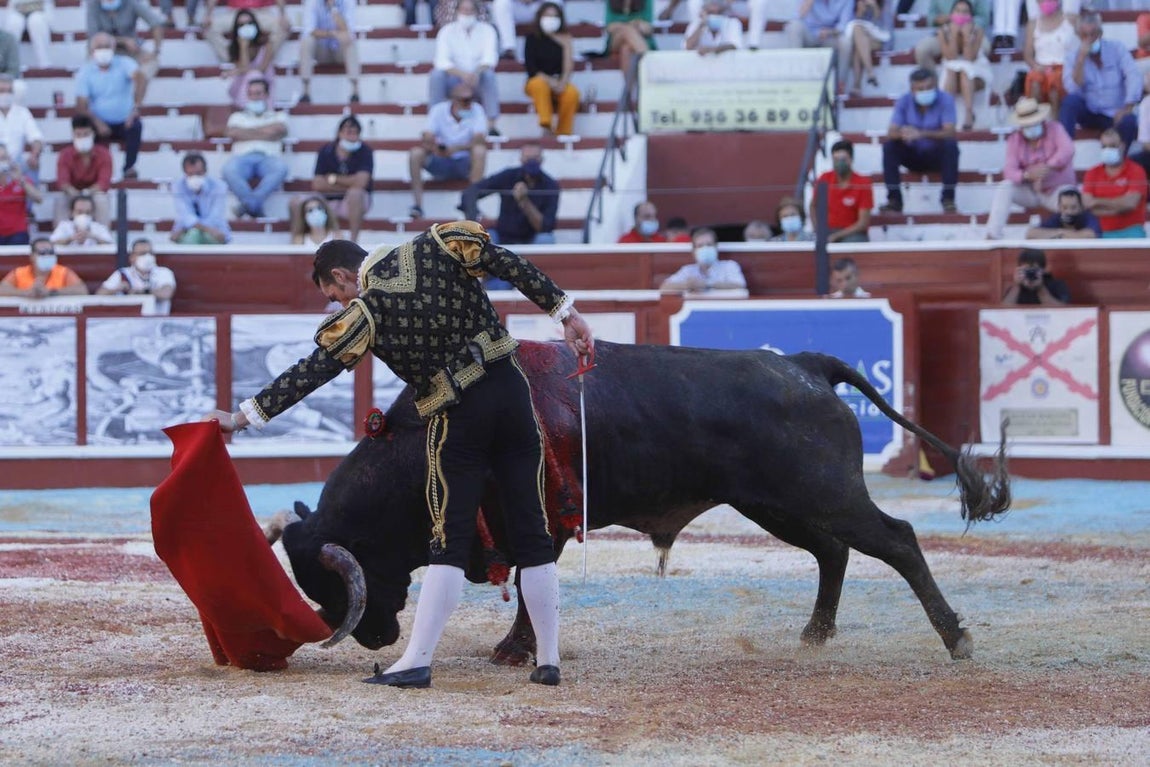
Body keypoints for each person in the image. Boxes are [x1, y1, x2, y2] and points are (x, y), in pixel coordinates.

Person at [205, 226, 595, 691]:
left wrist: (242, 417)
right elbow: (506, 262)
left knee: (448, 542)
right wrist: (564, 312)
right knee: (533, 530)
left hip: (460, 415)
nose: (340, 304)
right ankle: (548, 661)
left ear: (344, 275)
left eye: (335, 295)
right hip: (513, 396)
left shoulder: (367, 313)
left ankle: (416, 661)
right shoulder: (438, 245)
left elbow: (313, 371)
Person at [985, 97, 1075, 240]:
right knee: (1005, 187)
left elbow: (1068, 149)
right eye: (1026, 124)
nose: (1030, 126)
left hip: (1056, 190)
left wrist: (1047, 167)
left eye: (1033, 122)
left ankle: (1073, 236)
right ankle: (993, 234)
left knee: (1071, 198)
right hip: (1031, 190)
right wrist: (1027, 175)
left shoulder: (1055, 129)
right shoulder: (1015, 140)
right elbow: (1009, 171)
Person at [1059, 9, 1141, 150]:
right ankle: (1065, 150)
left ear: (1101, 33)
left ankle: (1120, 160)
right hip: (1090, 112)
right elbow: (1072, 88)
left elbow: (1133, 75)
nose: (1090, 39)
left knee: (1130, 121)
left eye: (1094, 34)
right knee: (1070, 102)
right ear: (1079, 36)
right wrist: (1081, 60)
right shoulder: (1072, 56)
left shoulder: (1117, 48)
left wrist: (1127, 107)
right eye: (1085, 35)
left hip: (1115, 113)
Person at [881, 67, 960, 214]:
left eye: (929, 87)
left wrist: (921, 134)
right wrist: (903, 134)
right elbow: (891, 132)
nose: (925, 91)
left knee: (951, 146)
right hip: (912, 154)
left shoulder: (945, 99)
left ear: (936, 85)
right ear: (912, 89)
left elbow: (950, 131)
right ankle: (894, 200)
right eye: (920, 88)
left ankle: (948, 199)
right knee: (890, 147)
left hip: (936, 156)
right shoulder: (904, 101)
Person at [408, 84, 488, 219]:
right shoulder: (438, 110)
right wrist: (436, 148)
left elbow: (479, 139)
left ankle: (471, 203)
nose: (469, 103)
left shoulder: (477, 110)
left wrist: (455, 149)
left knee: (480, 151)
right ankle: (417, 205)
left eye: (470, 99)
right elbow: (427, 136)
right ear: (454, 100)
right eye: (465, 100)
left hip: (465, 163)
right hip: (441, 160)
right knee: (415, 154)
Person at [74, 32, 144, 180]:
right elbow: (81, 105)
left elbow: (140, 78)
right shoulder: (85, 72)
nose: (103, 50)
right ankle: (97, 173)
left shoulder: (124, 63)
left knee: (136, 127)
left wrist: (136, 108)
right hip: (99, 121)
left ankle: (129, 167)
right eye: (99, 47)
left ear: (113, 48)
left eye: (106, 46)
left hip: (125, 120)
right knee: (83, 127)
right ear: (92, 51)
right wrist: (97, 123)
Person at [459, 142, 559, 244]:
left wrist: (524, 201)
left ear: (542, 160)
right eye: (527, 158)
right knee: (483, 239)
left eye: (536, 158)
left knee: (546, 239)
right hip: (502, 235)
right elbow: (472, 191)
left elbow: (545, 227)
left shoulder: (550, 185)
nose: (531, 162)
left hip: (532, 237)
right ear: (521, 159)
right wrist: (473, 216)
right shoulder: (508, 176)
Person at [293, 115, 372, 242]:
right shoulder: (326, 151)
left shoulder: (365, 151)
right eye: (348, 132)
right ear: (339, 133)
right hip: (326, 202)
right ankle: (297, 242)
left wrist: (333, 179)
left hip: (351, 202)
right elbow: (318, 184)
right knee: (296, 202)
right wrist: (350, 183)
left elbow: (361, 183)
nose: (352, 136)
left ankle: (353, 242)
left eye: (355, 133)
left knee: (356, 194)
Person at [430, 0, 501, 137]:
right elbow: (441, 61)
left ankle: (491, 125)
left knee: (489, 75)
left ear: (476, 12)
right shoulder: (446, 31)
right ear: (457, 12)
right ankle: (434, 125)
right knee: (436, 75)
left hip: (477, 78)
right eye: (463, 10)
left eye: (470, 10)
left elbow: (490, 59)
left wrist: (475, 73)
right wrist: (463, 75)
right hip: (453, 78)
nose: (467, 14)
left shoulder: (488, 31)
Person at [222, 78, 288, 219]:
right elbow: (233, 133)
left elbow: (279, 130)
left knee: (281, 169)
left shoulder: (279, 115)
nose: (254, 97)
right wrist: (265, 132)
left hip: (269, 158)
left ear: (266, 95)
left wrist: (246, 132)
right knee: (228, 170)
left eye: (258, 93)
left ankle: (248, 205)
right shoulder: (237, 116)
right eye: (251, 94)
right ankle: (254, 206)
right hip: (242, 158)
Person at [523, 2, 580, 137]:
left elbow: (568, 67)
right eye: (547, 15)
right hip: (538, 81)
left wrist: (562, 82)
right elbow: (531, 69)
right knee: (539, 84)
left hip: (558, 81)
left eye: (554, 16)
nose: (551, 19)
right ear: (540, 17)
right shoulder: (532, 38)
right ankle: (546, 125)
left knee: (572, 93)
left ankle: (564, 131)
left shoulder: (565, 39)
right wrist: (550, 82)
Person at [1081, 128, 1147, 239]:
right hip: (1100, 231)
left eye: (1112, 146)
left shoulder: (1136, 170)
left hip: (1131, 230)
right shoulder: (1092, 172)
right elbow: (1087, 204)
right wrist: (1120, 206)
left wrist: (1097, 201)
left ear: (1122, 146)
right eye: (1104, 147)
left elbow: (1130, 203)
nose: (1107, 150)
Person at [86, 0, 165, 89]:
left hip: (130, 50)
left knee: (152, 62)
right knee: (92, 64)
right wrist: (123, 41)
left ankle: (137, 90)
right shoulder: (93, 5)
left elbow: (156, 24)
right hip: (103, 49)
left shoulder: (131, 3)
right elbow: (94, 35)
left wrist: (156, 50)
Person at [938, 0, 990, 131]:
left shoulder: (977, 30)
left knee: (965, 71)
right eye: (958, 11)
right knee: (952, 69)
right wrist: (954, 36)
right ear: (951, 13)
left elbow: (969, 58)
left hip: (976, 71)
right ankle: (947, 116)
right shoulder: (943, 31)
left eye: (965, 12)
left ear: (971, 16)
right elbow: (951, 58)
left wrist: (967, 37)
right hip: (952, 72)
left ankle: (968, 113)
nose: (961, 14)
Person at [299, 0, 360, 104]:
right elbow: (309, 31)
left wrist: (333, 9)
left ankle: (355, 91)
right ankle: (306, 91)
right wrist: (332, 33)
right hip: (321, 51)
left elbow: (348, 32)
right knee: (306, 41)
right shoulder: (311, 2)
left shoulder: (348, 2)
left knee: (350, 42)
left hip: (340, 50)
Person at [55, 114, 112, 225]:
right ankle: (60, 239)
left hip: (94, 193)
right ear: (73, 135)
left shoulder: (104, 154)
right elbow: (62, 182)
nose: (82, 137)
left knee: (101, 200)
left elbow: (103, 182)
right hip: (72, 193)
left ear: (93, 135)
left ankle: (104, 238)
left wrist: (87, 192)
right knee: (61, 200)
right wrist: (74, 192)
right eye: (78, 135)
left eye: (86, 134)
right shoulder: (65, 154)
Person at [811, 139, 872, 243]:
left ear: (851, 159)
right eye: (836, 160)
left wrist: (836, 236)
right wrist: (818, 230)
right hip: (827, 230)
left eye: (843, 159)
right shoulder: (824, 178)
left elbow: (863, 223)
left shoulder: (863, 183)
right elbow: (813, 206)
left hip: (852, 233)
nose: (839, 163)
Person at [1022, 0, 1074, 119]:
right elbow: (1028, 55)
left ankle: (1056, 121)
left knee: (1054, 82)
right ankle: (1035, 121)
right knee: (1035, 80)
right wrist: (1036, 66)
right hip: (1041, 67)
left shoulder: (1070, 19)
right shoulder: (1033, 24)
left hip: (1064, 67)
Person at [96, 238, 177, 314]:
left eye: (150, 253)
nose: (148, 257)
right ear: (132, 257)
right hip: (128, 322)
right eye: (142, 254)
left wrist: (142, 291)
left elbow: (166, 293)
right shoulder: (122, 273)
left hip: (156, 321)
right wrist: (116, 289)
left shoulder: (163, 272)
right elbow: (99, 294)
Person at [785, 0, 854, 87]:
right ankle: (795, 77)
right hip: (810, 34)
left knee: (845, 42)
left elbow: (844, 25)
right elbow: (796, 17)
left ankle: (840, 86)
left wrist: (829, 32)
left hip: (830, 36)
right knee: (793, 26)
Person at [659, 227, 746, 292]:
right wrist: (688, 285)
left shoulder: (729, 266)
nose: (705, 249)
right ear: (694, 251)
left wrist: (708, 284)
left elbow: (740, 285)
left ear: (715, 247)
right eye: (700, 246)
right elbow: (664, 286)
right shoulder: (688, 270)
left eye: (709, 244)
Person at [171, 152, 232, 244]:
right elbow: (185, 214)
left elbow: (216, 215)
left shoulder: (219, 186)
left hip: (215, 230)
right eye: (190, 174)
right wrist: (201, 228)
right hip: (189, 231)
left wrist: (192, 227)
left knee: (200, 235)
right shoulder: (178, 187)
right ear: (185, 173)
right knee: (193, 235)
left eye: (198, 173)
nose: (194, 177)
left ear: (205, 171)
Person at [225, 9, 282, 108]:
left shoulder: (266, 44)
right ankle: (246, 108)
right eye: (241, 25)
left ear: (255, 24)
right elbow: (244, 68)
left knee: (255, 74)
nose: (246, 27)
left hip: (264, 84)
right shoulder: (234, 47)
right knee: (251, 75)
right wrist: (243, 47)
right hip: (242, 86)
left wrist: (238, 71)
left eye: (249, 23)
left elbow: (262, 69)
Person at [203, 0, 289, 64]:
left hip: (261, 12)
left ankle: (263, 59)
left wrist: (283, 14)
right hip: (235, 12)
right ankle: (231, 58)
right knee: (209, 28)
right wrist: (208, 14)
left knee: (283, 27)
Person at [0, 74, 44, 198]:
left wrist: (34, 155)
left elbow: (36, 138)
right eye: (1, 91)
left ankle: (27, 208)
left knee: (33, 163)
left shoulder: (22, 112)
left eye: (8, 91)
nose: (5, 95)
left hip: (16, 164)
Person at [913, 0, 989, 70]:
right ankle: (932, 82)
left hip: (972, 33)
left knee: (985, 47)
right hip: (945, 34)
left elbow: (984, 18)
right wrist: (941, 19)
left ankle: (975, 78)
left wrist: (964, 19)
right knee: (922, 50)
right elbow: (931, 18)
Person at [0, 239, 88, 297]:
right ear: (32, 256)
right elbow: (2, 290)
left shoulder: (63, 272)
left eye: (50, 252)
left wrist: (50, 292)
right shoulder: (19, 272)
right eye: (42, 253)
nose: (47, 256)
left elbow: (82, 290)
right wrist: (26, 293)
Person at [844, 0, 889, 95]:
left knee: (859, 43)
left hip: (879, 39)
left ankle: (857, 85)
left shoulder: (885, 3)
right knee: (858, 34)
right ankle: (870, 73)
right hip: (861, 39)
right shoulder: (853, 2)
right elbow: (849, 24)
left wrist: (875, 7)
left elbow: (885, 27)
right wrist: (860, 11)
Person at [0, 143, 39, 245]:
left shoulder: (20, 179)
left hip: (18, 232)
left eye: (3, 158)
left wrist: (21, 180)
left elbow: (38, 198)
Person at [1025, 187, 1101, 239]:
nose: (1069, 212)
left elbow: (1091, 234)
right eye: (1064, 207)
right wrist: (1060, 232)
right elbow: (1031, 234)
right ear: (1059, 207)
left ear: (1081, 207)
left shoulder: (1088, 217)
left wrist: (1064, 235)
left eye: (1073, 207)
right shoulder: (1056, 218)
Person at [1001, 247, 1069, 305]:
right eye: (1026, 270)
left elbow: (1062, 311)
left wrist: (1040, 288)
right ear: (1019, 270)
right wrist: (1016, 286)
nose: (1031, 273)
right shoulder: (1015, 288)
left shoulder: (1057, 285)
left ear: (1043, 270)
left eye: (1034, 269)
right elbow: (1004, 312)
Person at [605, 0, 655, 78]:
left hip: (640, 38)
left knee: (626, 48)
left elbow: (648, 28)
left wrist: (637, 26)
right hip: (616, 39)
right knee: (627, 31)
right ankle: (651, 65)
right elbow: (609, 27)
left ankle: (629, 89)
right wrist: (630, 26)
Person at [4, 0, 52, 68]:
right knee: (14, 23)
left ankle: (45, 63)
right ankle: (10, 64)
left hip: (41, 9)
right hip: (17, 9)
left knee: (36, 22)